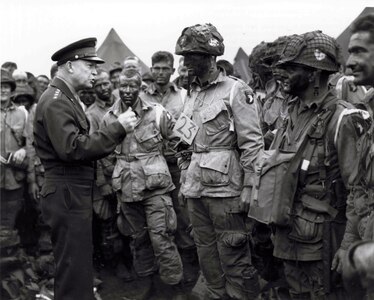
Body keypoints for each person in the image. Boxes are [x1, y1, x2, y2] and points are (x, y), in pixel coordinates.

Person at [266, 31, 368, 299]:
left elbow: (361, 192)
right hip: (290, 236)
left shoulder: (344, 119)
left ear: (313, 74)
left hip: (324, 243)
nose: (283, 74)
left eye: (291, 68)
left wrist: (348, 246)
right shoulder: (291, 113)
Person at [33, 37, 137, 300]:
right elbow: (72, 148)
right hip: (67, 191)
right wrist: (117, 128)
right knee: (73, 267)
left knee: (76, 266)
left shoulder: (64, 97)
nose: (95, 72)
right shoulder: (57, 100)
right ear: (69, 67)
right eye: (90, 66)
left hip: (70, 191)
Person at [175, 23, 263, 299]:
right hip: (196, 190)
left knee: (234, 255)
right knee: (207, 255)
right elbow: (182, 141)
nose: (186, 61)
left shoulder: (236, 91)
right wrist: (183, 176)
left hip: (226, 191)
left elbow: (252, 144)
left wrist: (250, 187)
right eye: (184, 55)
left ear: (211, 57)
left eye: (192, 56)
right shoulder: (192, 93)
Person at [101, 70, 184, 299]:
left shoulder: (156, 112)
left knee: (162, 237)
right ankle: (148, 285)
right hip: (126, 189)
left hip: (155, 187)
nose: (127, 91)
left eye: (132, 87)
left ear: (141, 88)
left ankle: (172, 286)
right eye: (123, 86)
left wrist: (183, 168)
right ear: (117, 86)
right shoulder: (109, 117)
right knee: (139, 239)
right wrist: (110, 179)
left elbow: (182, 138)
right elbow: (103, 153)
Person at [141, 50, 198, 286]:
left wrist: (186, 165)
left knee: (182, 218)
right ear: (151, 69)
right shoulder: (142, 97)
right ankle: (158, 276)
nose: (160, 73)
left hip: (176, 166)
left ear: (173, 71)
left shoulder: (183, 96)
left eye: (165, 68)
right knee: (156, 223)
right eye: (156, 68)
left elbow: (188, 134)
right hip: (151, 168)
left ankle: (187, 273)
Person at [333, 13, 374, 297]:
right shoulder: (366, 114)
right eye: (349, 52)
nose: (349, 63)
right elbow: (360, 189)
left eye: (359, 51)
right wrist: (349, 243)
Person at [0, 69, 28, 230]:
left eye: (6, 87)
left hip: (15, 177)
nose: (2, 90)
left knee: (13, 220)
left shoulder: (22, 114)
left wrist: (23, 150)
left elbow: (30, 142)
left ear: (11, 90)